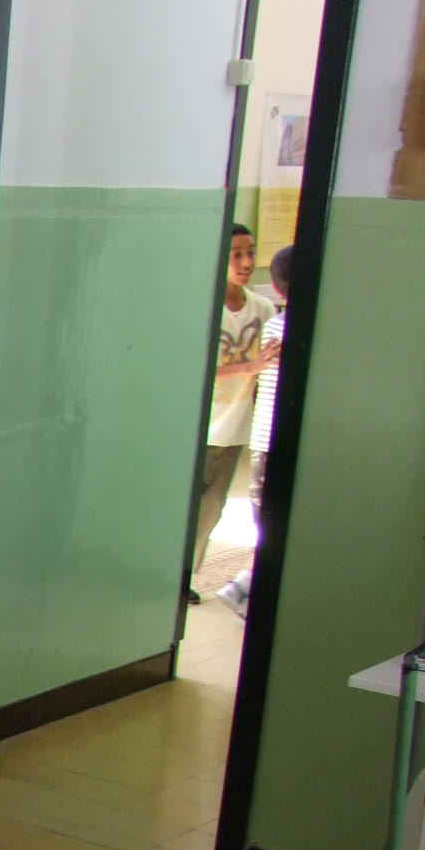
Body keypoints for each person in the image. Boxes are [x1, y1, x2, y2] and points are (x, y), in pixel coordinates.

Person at [192, 224, 278, 603]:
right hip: (199, 428)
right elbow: (196, 368)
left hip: (237, 427)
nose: (246, 262)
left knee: (211, 509)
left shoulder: (263, 309)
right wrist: (249, 366)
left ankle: (184, 577)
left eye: (251, 252)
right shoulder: (205, 307)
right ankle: (169, 578)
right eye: (236, 255)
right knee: (185, 508)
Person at [217, 244, 292, 618]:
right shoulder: (287, 327)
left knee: (271, 524)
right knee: (275, 526)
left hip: (265, 442)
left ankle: (248, 588)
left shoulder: (274, 322)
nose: (247, 262)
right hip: (275, 442)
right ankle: (244, 588)